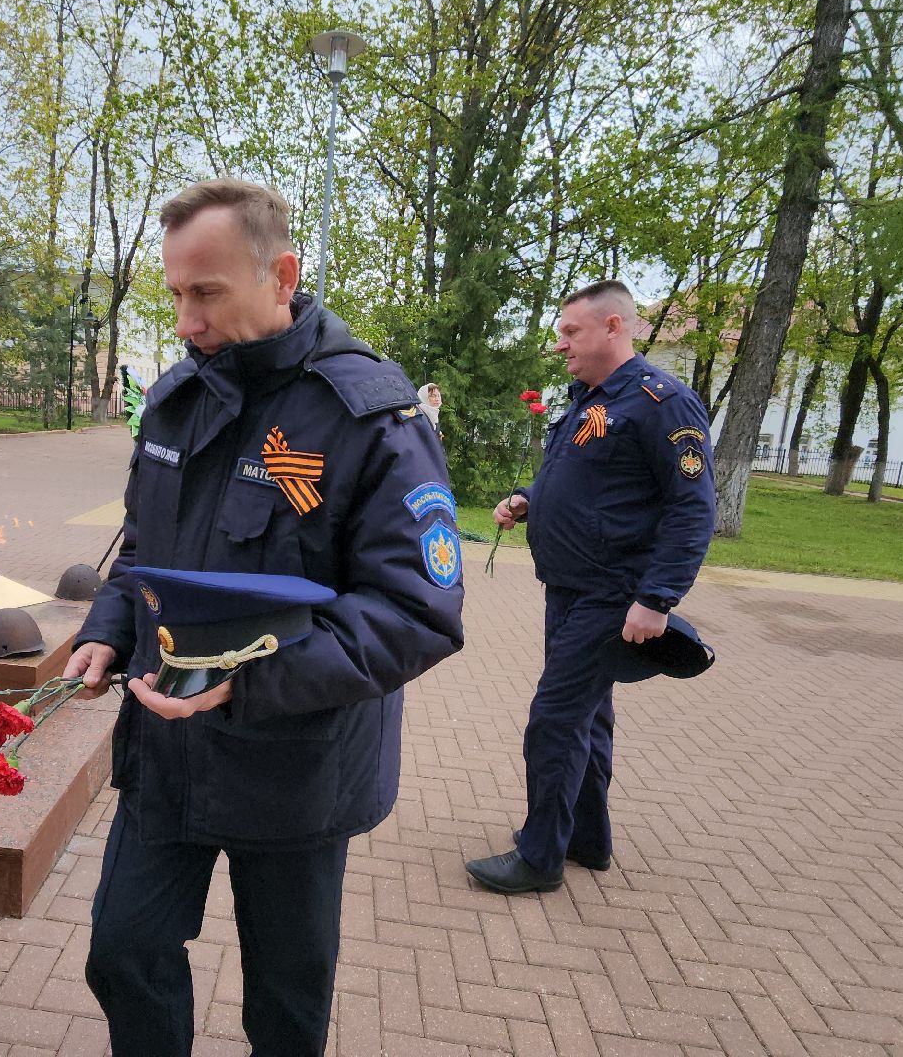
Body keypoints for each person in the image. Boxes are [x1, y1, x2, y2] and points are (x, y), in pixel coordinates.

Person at [65, 177, 465, 1056]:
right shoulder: (177, 397)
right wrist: (106, 631)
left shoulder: (371, 417)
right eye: (175, 293)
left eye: (206, 292)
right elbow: (143, 551)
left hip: (296, 767)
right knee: (122, 953)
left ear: (282, 276)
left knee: (286, 1002)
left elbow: (418, 610)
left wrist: (243, 682)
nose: (185, 321)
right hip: (168, 751)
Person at [466, 279, 715, 895]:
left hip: (612, 592)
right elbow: (587, 477)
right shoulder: (590, 399)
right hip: (570, 588)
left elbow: (692, 508)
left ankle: (539, 858)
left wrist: (656, 599)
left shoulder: (662, 403)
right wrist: (529, 498)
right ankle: (586, 837)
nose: (561, 344)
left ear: (613, 327)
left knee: (554, 720)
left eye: (571, 332)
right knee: (588, 717)